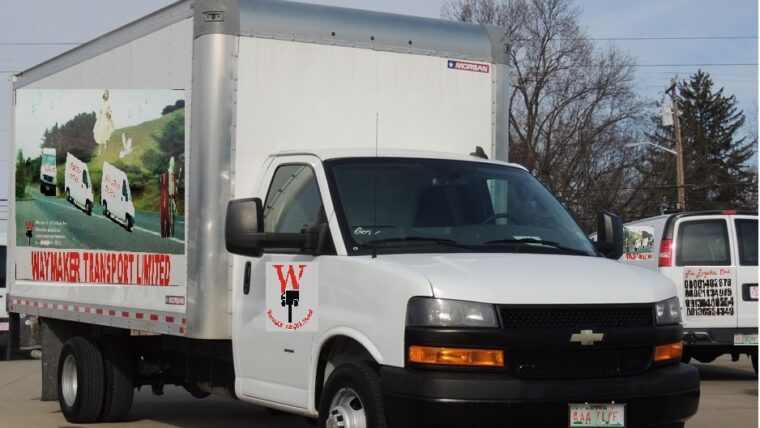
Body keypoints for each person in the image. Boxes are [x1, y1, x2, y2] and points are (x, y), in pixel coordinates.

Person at [93, 90, 114, 155]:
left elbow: (110, 111)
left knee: (105, 130)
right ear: (103, 95)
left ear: (108, 96)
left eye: (107, 94)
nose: (106, 95)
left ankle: (105, 147)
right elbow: (99, 111)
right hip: (101, 118)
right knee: (100, 132)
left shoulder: (108, 103)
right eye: (105, 94)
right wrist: (98, 118)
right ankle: (99, 149)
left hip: (106, 118)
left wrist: (108, 114)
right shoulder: (101, 103)